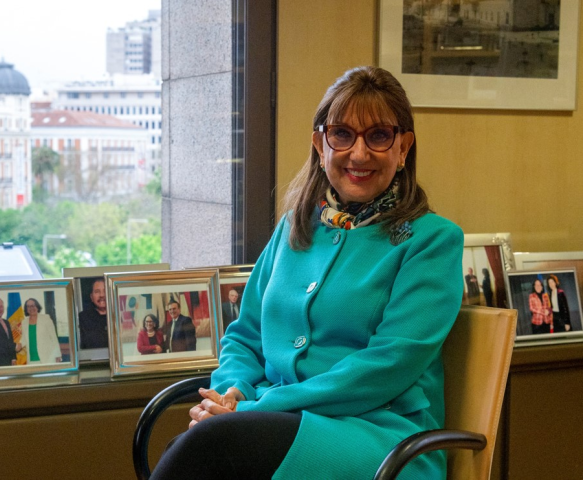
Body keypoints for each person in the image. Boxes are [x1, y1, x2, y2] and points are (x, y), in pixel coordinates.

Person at [150, 66, 464, 479]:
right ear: (320, 144)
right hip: (269, 419)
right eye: (342, 134)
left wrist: (252, 410)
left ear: (403, 148)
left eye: (379, 136)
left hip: (379, 436)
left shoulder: (432, 241)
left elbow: (387, 367)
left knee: (211, 446)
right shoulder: (295, 227)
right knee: (198, 445)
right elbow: (246, 335)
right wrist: (230, 393)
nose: (359, 153)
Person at [21, 298, 62, 364]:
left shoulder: (46, 318)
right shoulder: (24, 322)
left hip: (48, 358)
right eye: (28, 306)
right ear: (26, 309)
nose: (31, 308)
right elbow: (24, 340)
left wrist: (57, 354)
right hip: (32, 360)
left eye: (33, 305)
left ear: (37, 306)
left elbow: (53, 337)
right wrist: (15, 346)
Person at [78, 278, 108, 349]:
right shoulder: (82, 318)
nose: (102, 295)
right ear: (91, 297)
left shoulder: (119, 314)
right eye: (97, 292)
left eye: (105, 291)